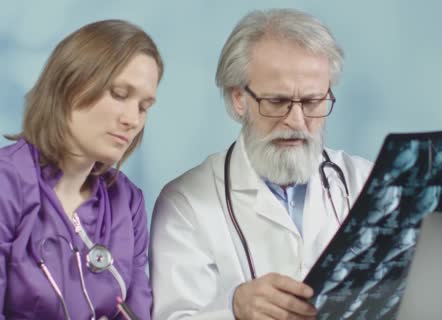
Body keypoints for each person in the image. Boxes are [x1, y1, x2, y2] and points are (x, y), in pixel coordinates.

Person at [151, 8, 373, 320]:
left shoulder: (364, 181)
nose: (296, 121)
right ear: (239, 98)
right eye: (277, 102)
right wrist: (233, 310)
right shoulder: (185, 203)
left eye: (312, 102)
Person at [0, 19, 163, 319]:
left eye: (144, 106)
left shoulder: (127, 204)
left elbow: (138, 310)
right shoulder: (6, 185)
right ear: (70, 85)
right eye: (119, 94)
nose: (133, 119)